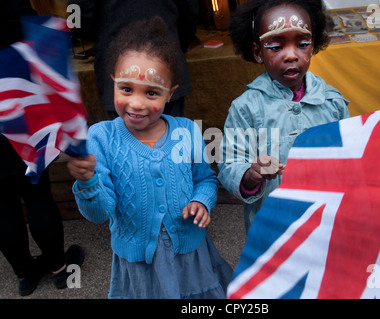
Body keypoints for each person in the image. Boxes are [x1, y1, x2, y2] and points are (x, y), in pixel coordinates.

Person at [67, 17, 233, 299]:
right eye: (126, 88)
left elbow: (205, 179)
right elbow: (99, 213)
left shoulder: (186, 131)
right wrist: (87, 182)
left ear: (171, 93)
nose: (136, 103)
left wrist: (201, 201)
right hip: (138, 262)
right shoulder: (101, 138)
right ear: (112, 82)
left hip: (190, 254)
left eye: (152, 92)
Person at [218, 0, 350, 232]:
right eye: (276, 47)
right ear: (258, 52)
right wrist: (250, 175)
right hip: (272, 225)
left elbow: (349, 156)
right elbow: (230, 163)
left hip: (325, 219)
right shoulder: (245, 108)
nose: (291, 55)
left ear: (314, 45)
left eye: (302, 44)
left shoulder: (332, 102)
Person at [0, 0, 84, 297]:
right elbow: (29, 27)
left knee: (2, 202)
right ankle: (59, 270)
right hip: (12, 103)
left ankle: (24, 275)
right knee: (35, 190)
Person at [68, 0, 198, 119]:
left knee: (125, 140)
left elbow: (79, 16)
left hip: (118, 63)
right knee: (169, 137)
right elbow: (190, 12)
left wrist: (98, 34)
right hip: (164, 63)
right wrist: (179, 45)